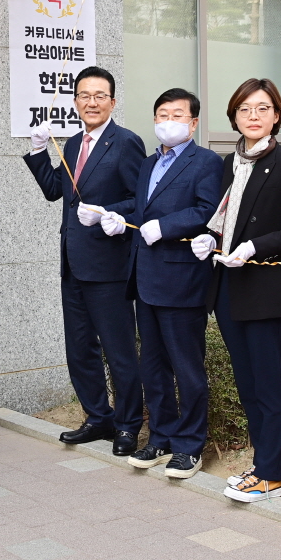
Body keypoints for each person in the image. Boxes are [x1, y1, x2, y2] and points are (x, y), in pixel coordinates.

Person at [189, 79, 281, 502]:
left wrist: (256, 246)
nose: (253, 116)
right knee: (247, 382)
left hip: (267, 288)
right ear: (234, 117)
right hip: (227, 286)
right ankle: (262, 463)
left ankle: (273, 474)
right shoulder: (228, 163)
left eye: (262, 109)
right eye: (245, 109)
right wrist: (210, 238)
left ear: (276, 114)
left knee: (269, 383)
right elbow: (225, 217)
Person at [24, 66, 147, 456]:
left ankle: (128, 425)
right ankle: (98, 417)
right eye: (84, 96)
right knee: (79, 349)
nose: (91, 102)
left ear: (112, 101)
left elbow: (139, 202)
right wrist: (37, 150)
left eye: (99, 95)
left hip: (109, 265)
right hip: (73, 263)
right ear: (75, 102)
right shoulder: (74, 143)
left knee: (118, 349)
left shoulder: (126, 143)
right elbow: (53, 191)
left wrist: (108, 213)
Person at [100, 88, 222, 479]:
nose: (167, 121)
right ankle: (162, 437)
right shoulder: (151, 163)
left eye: (177, 114)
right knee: (152, 367)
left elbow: (206, 210)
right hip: (146, 278)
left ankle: (190, 446)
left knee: (186, 367)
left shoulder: (207, 162)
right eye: (162, 114)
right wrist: (115, 217)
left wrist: (166, 227)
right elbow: (141, 209)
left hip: (182, 278)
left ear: (194, 122)